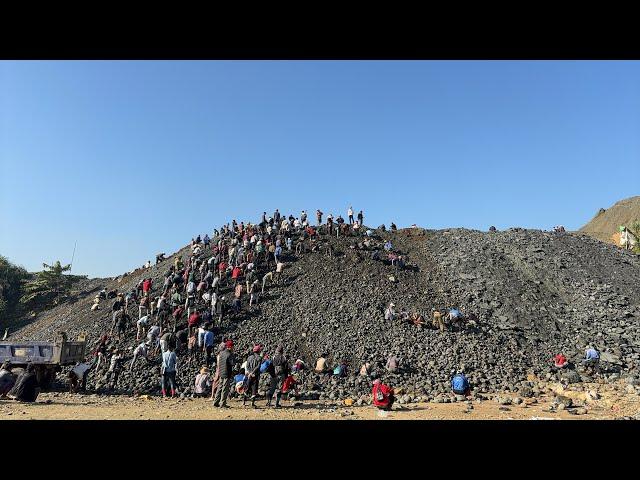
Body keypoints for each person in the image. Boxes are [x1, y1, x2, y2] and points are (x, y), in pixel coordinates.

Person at [213, 340, 234, 408]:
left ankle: (216, 402)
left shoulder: (221, 353)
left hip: (221, 372)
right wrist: (233, 355)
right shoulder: (229, 354)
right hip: (226, 373)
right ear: (230, 347)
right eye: (232, 346)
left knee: (219, 387)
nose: (233, 348)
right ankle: (223, 403)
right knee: (225, 388)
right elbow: (232, 363)